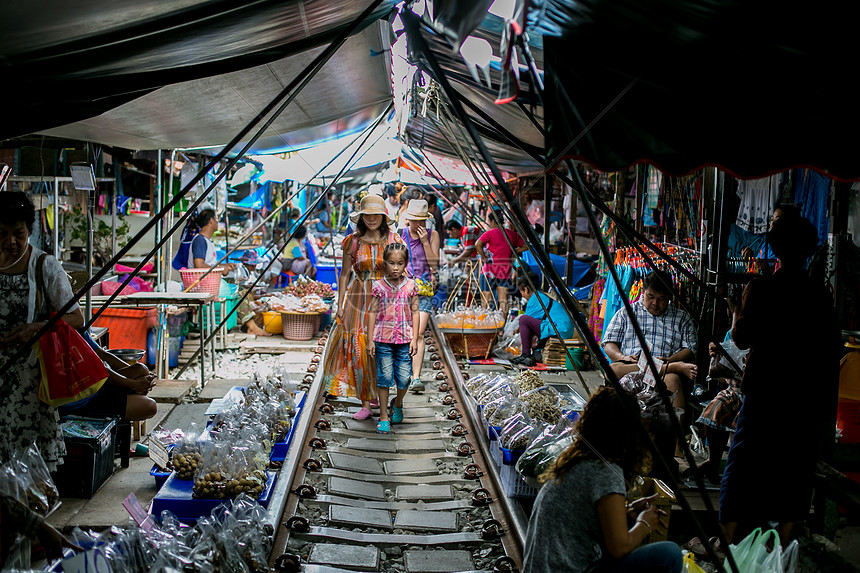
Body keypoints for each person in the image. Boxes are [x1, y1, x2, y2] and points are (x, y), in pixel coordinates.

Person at [719, 215, 837, 546]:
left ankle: (726, 537)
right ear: (811, 252)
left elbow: (741, 338)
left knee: (743, 461)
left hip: (764, 392)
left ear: (775, 249)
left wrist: (738, 310)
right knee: (795, 467)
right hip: (803, 397)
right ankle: (784, 545)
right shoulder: (820, 295)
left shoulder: (762, 288)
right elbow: (829, 350)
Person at [523, 386, 682, 573]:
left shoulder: (576, 459)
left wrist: (626, 512)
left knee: (629, 527)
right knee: (670, 554)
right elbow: (619, 548)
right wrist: (645, 523)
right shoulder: (604, 470)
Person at [0, 192, 85, 471]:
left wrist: (36, 329)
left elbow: (75, 317)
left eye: (18, 233)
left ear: (29, 232)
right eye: (2, 233)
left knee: (28, 474)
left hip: (30, 387)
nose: (11, 242)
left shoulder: (44, 266)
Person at [322, 195, 403, 420]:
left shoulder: (393, 240)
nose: (371, 219)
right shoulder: (353, 241)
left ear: (383, 217)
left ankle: (380, 392)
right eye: (367, 215)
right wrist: (339, 304)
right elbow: (345, 274)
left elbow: (402, 271)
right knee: (359, 348)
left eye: (376, 214)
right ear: (361, 217)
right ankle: (366, 402)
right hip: (357, 299)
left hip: (386, 298)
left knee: (383, 348)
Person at [602, 270, 698, 413]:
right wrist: (623, 357)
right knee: (612, 371)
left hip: (665, 374)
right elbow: (609, 343)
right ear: (643, 291)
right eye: (650, 296)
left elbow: (690, 349)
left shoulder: (682, 318)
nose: (655, 303)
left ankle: (676, 434)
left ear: (669, 297)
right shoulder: (626, 312)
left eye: (661, 298)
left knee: (673, 381)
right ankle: (672, 367)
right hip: (633, 367)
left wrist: (669, 360)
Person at [367, 243, 419, 433]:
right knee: (385, 377)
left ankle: (397, 403)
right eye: (391, 263)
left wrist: (414, 338)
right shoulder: (379, 286)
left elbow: (415, 311)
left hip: (405, 339)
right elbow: (372, 312)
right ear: (384, 264)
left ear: (405, 264)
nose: (395, 268)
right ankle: (383, 417)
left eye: (400, 263)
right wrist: (370, 339)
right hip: (383, 339)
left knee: (405, 379)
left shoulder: (411, 285)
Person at [59, 339, 158, 422]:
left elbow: (103, 355)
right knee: (150, 406)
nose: (80, 318)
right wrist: (134, 384)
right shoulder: (61, 334)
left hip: (97, 385)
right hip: (82, 400)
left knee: (141, 369)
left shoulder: (78, 330)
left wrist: (139, 379)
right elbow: (100, 370)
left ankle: (129, 405)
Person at [398, 199, 440, 393]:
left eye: (422, 220)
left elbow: (434, 265)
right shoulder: (400, 236)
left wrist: (424, 241)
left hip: (423, 290)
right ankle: (402, 373)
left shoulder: (433, 235)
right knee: (403, 333)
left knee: (419, 333)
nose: (419, 224)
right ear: (408, 220)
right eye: (415, 220)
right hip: (402, 290)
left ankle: (416, 377)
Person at [511, 272, 575, 367]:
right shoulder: (540, 296)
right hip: (565, 329)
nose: (523, 296)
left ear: (526, 289)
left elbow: (525, 323)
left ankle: (525, 354)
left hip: (560, 329)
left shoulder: (535, 299)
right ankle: (536, 353)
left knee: (523, 319)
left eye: (522, 292)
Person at [474, 211, 526, 316]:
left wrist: (484, 258)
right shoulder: (511, 234)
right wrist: (514, 252)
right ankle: (501, 330)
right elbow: (525, 246)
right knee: (503, 301)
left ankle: (485, 327)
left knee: (486, 301)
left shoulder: (489, 233)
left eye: (488, 221)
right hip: (504, 272)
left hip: (489, 270)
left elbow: (477, 244)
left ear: (493, 221)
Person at [188, 209, 234, 274]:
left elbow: (209, 265)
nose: (217, 222)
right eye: (216, 219)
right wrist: (220, 270)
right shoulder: (200, 240)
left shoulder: (207, 241)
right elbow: (199, 265)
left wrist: (225, 266)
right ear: (211, 220)